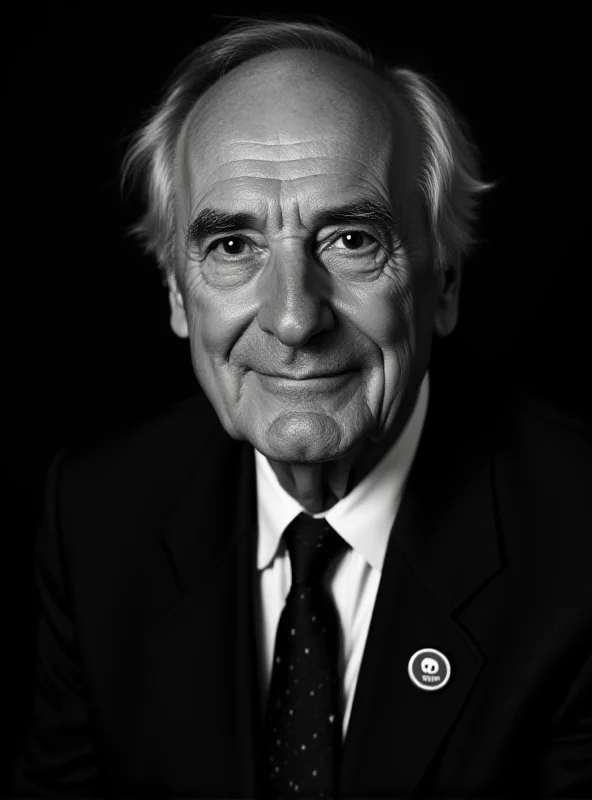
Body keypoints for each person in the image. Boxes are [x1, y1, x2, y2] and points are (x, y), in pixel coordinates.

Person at [11, 17, 591, 800]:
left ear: (443, 283)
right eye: (231, 246)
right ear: (179, 296)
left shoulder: (580, 539)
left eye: (351, 240)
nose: (293, 318)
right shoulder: (97, 518)